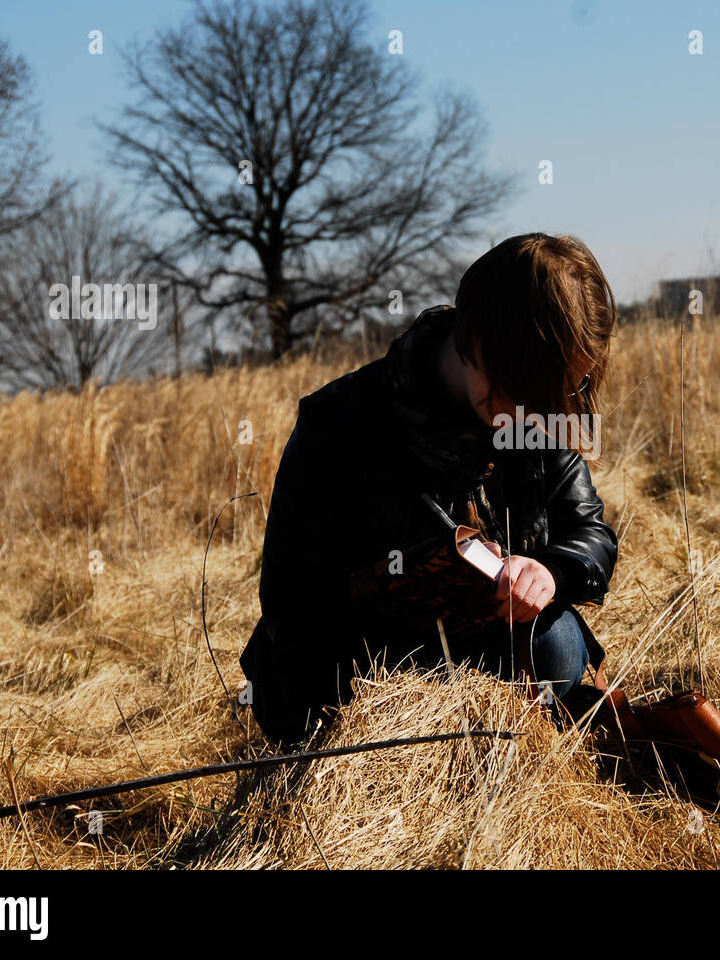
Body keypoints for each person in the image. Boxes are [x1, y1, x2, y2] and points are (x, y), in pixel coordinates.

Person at [240, 233, 619, 746]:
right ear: (478, 346)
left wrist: (549, 570)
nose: (543, 414)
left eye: (564, 393)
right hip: (365, 668)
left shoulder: (542, 412)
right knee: (302, 684)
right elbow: (289, 602)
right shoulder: (339, 422)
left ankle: (537, 758)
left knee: (556, 643)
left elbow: (590, 534)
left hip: (492, 650)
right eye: (529, 395)